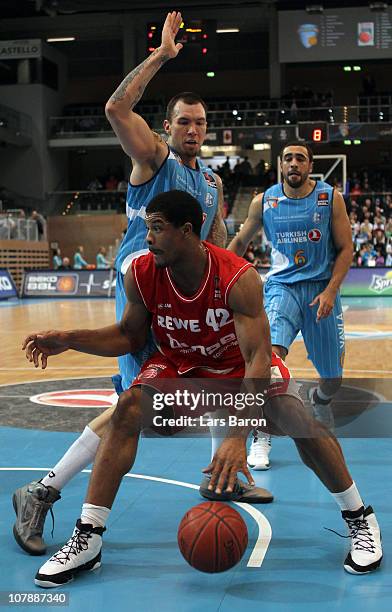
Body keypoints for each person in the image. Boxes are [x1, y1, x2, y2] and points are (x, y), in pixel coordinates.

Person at [23, 191, 382, 587]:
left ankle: (359, 519)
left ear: (187, 231)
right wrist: (68, 337)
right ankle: (87, 538)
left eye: (157, 228)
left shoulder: (236, 277)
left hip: (238, 368)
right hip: (184, 368)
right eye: (147, 228)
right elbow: (128, 335)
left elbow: (258, 360)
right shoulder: (141, 273)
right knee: (128, 408)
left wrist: (236, 435)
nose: (148, 238)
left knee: (296, 418)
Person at [12, 11, 269, 559]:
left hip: (188, 292)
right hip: (144, 292)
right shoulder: (153, 159)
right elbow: (114, 108)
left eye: (200, 123)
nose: (193, 131)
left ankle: (228, 464)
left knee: (216, 372)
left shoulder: (212, 182)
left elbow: (217, 242)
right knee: (140, 409)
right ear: (168, 127)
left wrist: (235, 282)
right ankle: (41, 490)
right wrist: (162, 55)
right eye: (184, 123)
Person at [229, 142, 353, 470]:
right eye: (288, 159)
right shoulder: (264, 201)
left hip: (321, 292)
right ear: (280, 166)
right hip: (281, 289)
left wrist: (330, 291)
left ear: (310, 165)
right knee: (265, 361)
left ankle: (320, 399)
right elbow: (240, 242)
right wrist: (217, 275)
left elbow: (345, 248)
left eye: (300, 158)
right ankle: (261, 432)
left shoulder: (330, 199)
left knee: (332, 379)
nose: (294, 163)